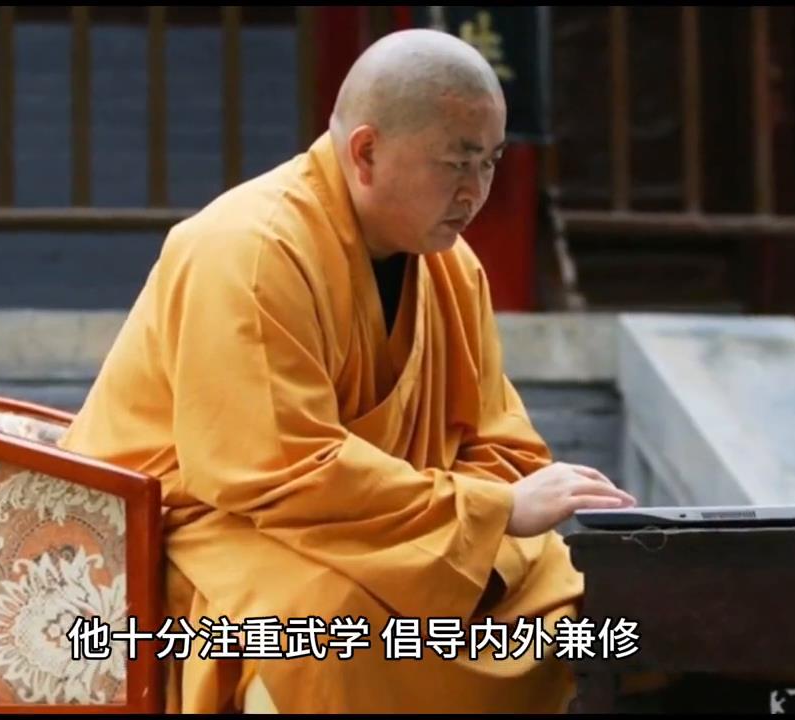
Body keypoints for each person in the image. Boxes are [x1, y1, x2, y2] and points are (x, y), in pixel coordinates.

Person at [59, 27, 637, 714]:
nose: (475, 192)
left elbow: (498, 440)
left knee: (564, 593)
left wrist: (486, 520)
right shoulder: (248, 251)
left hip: (383, 527)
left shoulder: (452, 268)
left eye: (489, 163)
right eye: (456, 163)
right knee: (331, 629)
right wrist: (490, 512)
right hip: (207, 529)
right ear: (366, 152)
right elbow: (273, 469)